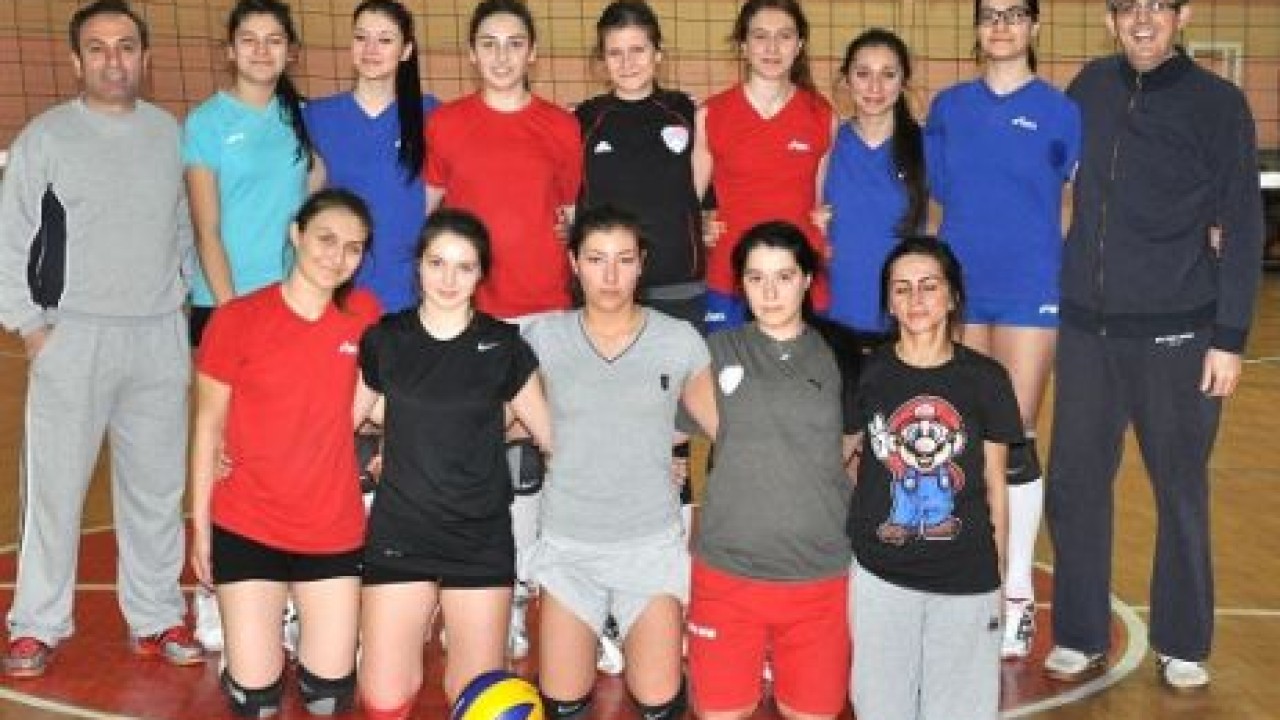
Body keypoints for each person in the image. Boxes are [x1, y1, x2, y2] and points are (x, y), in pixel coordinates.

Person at [1043, 0, 1263, 690]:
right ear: (1109, 20)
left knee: (1180, 491)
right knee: (1075, 485)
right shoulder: (1088, 86)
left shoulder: (1219, 104)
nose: (1142, 20)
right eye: (1128, 7)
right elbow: (1053, 181)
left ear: (1181, 15)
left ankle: (1183, 641)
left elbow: (1244, 223)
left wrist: (1229, 339)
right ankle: (1079, 634)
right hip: (1087, 331)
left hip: (1180, 333)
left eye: (1156, 6)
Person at [0, 0, 203, 679]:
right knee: (55, 493)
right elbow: (9, 238)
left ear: (145, 57)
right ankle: (36, 624)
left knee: (156, 491)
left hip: (156, 338)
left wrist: (180, 305)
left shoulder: (170, 135)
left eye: (125, 47)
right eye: (98, 48)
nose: (113, 60)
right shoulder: (45, 138)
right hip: (73, 338)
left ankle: (156, 615)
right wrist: (32, 329)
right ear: (76, 60)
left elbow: (183, 228)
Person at [424, 0, 582, 660]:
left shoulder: (560, 126)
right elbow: (433, 220)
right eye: (488, 43)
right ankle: (465, 590)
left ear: (532, 53)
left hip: (543, 314)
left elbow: (568, 218)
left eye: (514, 43)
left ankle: (514, 597)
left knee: (527, 459)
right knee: (469, 454)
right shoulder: (447, 124)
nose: (501, 55)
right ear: (471, 53)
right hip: (470, 317)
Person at [923, 0, 1080, 658]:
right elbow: (936, 205)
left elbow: (1071, 201)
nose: (1002, 25)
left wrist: (1042, 266)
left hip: (1027, 289)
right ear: (978, 26)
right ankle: (970, 583)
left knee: (1015, 435)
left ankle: (1016, 593)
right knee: (963, 437)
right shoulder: (949, 107)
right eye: (991, 14)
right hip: (962, 289)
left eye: (1015, 14)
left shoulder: (1062, 110)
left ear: (1034, 27)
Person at [354, 209, 552, 720]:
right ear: (418, 265)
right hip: (401, 531)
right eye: (437, 263)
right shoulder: (386, 339)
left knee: (479, 698)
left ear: (481, 273)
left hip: (478, 537)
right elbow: (336, 428)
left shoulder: (503, 345)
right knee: (383, 699)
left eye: (465, 267)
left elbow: (553, 437)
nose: (449, 279)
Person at [190, 189, 380, 717]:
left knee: (328, 700)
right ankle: (248, 659)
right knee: (257, 703)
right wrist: (201, 527)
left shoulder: (365, 318)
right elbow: (207, 426)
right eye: (326, 239)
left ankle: (303, 643)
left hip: (331, 525)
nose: (337, 257)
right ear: (296, 234)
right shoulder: (238, 318)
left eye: (353, 248)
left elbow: (385, 400)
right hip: (249, 522)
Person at [523, 205, 713, 720]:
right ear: (573, 262)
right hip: (568, 545)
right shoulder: (542, 339)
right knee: (563, 704)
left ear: (641, 263)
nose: (610, 275)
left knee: (658, 702)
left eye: (624, 260)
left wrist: (656, 446)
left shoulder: (678, 339)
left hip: (649, 546)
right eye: (596, 259)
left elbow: (725, 426)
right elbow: (507, 423)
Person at [684, 221, 861, 720]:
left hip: (819, 577)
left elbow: (849, 452)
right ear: (740, 284)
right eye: (756, 278)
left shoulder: (840, 354)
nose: (770, 292)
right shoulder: (712, 352)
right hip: (727, 576)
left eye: (784, 277)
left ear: (807, 280)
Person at [574, 0, 704, 675]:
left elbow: (709, 190)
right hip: (606, 298)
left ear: (658, 53)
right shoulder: (583, 120)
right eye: (615, 51)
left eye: (638, 49)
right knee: (611, 439)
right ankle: (603, 599)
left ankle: (666, 597)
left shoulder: (686, 113)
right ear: (602, 60)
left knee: (674, 445)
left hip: (677, 293)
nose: (627, 62)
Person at [848, 236, 1019, 720]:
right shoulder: (868, 373)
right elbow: (847, 461)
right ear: (888, 302)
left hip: (966, 579)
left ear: (953, 296)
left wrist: (998, 573)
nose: (915, 299)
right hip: (880, 577)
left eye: (929, 286)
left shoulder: (986, 378)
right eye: (901, 288)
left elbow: (995, 483)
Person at [693, 0, 835, 333]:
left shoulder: (822, 115)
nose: (772, 48)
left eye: (784, 36)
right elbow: (690, 201)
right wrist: (702, 223)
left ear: (799, 45)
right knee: (726, 367)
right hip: (730, 278)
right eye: (760, 36)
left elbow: (820, 204)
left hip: (797, 277)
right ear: (743, 45)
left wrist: (826, 225)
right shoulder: (712, 114)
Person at [185, 0, 319, 344]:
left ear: (291, 52)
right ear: (230, 51)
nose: (261, 50)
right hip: (224, 299)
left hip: (290, 295)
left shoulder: (304, 117)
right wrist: (231, 313)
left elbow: (313, 195)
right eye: (249, 40)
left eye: (274, 40)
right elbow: (206, 232)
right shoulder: (206, 122)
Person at [306, 0, 440, 314]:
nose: (370, 49)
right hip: (339, 283)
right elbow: (308, 202)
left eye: (385, 40)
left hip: (410, 288)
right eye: (361, 37)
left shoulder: (433, 115)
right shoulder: (317, 116)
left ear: (406, 50)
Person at [823, 28, 926, 345]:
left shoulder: (927, 148)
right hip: (831, 319)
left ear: (904, 81)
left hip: (905, 321)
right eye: (863, 74)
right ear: (847, 79)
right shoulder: (825, 144)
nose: (875, 87)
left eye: (888, 75)